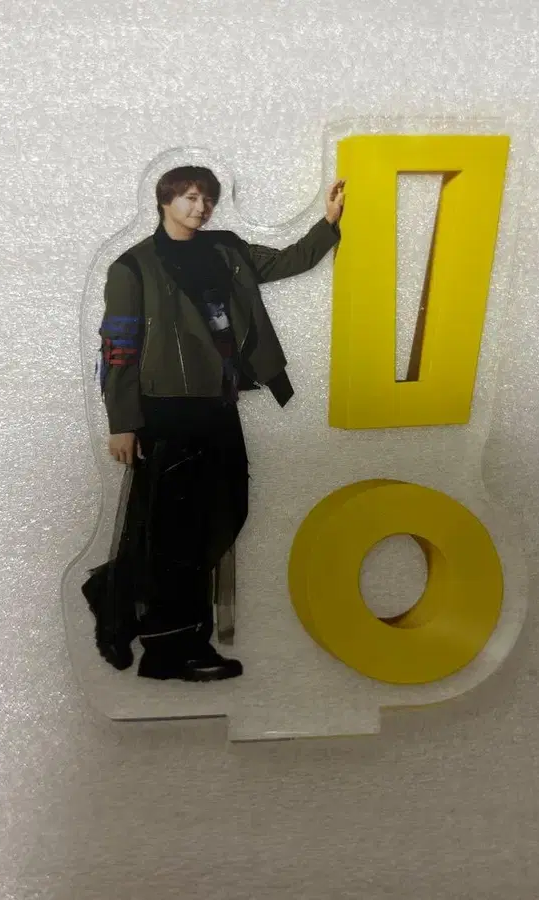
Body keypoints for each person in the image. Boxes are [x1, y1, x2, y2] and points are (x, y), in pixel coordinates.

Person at [83, 165, 344, 682]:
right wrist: (122, 421)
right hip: (166, 412)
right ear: (164, 201)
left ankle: (114, 590)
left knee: (225, 511)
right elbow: (118, 349)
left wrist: (329, 222)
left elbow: (289, 260)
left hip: (217, 405)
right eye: (188, 197)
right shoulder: (132, 268)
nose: (199, 207)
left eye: (206, 199)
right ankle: (172, 649)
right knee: (179, 530)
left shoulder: (226, 250)